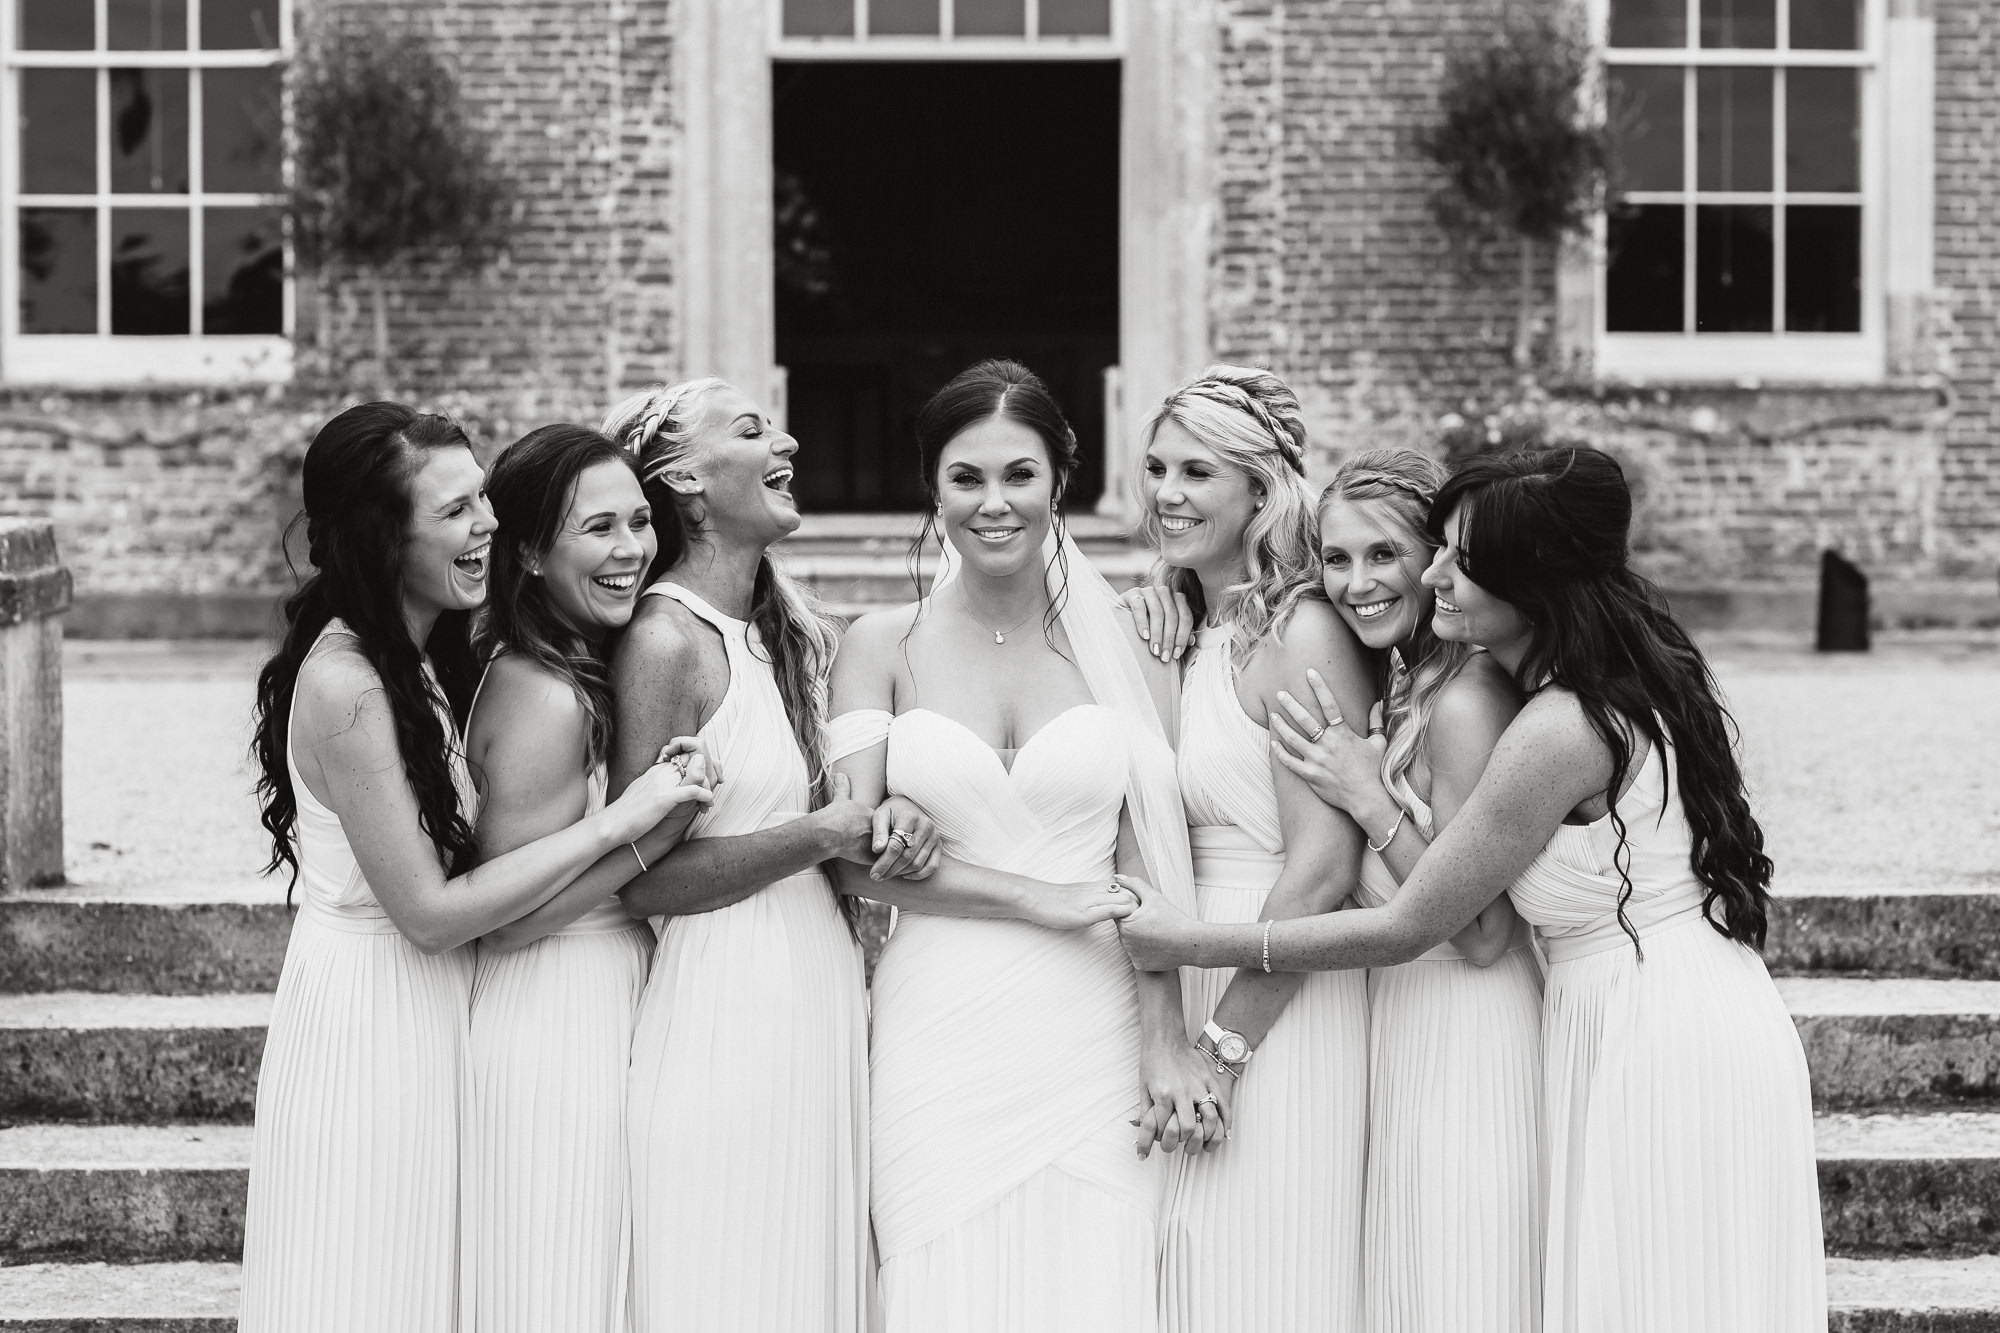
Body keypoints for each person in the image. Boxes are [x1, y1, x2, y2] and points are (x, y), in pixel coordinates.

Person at [1118, 445, 1827, 1333]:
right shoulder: (1488, 679)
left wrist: (1197, 937)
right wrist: (1171, 591)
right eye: (1347, 558)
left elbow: (1463, 927)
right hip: (1589, 1007)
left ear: (1531, 580)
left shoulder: (1520, 714)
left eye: (1447, 556)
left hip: (1632, 1026)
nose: (1428, 573)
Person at [241, 403, 695, 1333]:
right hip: (370, 1023)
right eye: (454, 511)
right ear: (381, 535)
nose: (487, 524)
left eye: (483, 500)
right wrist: (625, 821)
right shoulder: (347, 684)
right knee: (366, 1283)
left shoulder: (418, 654)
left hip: (439, 1009)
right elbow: (433, 912)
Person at [825, 359, 1205, 1333]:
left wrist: (1164, 1042)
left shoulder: (1132, 643)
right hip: (937, 1016)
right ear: (932, 488)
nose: (993, 503)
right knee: (937, 1270)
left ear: (1058, 483)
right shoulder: (878, 644)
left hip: (1095, 1018)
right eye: (965, 478)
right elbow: (843, 852)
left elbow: (1145, 862)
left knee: (1093, 1276)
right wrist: (1034, 898)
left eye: (1017, 475)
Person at [603, 379, 898, 1333]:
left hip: (811, 991)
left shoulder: (779, 631)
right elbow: (644, 882)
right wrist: (818, 833)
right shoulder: (662, 640)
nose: (789, 438)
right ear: (686, 478)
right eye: (752, 428)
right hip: (725, 1010)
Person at [1279, 448, 1542, 1333]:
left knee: (1458, 1282)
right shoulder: (1415, 680)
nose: (1356, 583)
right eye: (1337, 557)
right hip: (1404, 1015)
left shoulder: (1467, 700)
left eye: (1383, 554)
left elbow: (1482, 933)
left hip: (1467, 1032)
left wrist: (1368, 796)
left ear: (1435, 557)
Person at [462, 424, 715, 1333]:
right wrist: (652, 828)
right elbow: (509, 921)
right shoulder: (544, 694)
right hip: (552, 1017)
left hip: (598, 999)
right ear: (528, 552)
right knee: (559, 1277)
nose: (630, 550)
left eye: (640, 522)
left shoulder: (576, 665)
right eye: (597, 528)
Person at [1138, 365, 1376, 1332]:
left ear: (1261, 488)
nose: (1166, 493)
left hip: (1278, 993)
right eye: (1156, 467)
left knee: (1267, 1269)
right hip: (1193, 957)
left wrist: (1223, 1049)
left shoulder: (1303, 629)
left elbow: (1323, 867)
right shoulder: (1189, 620)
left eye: (1197, 471)